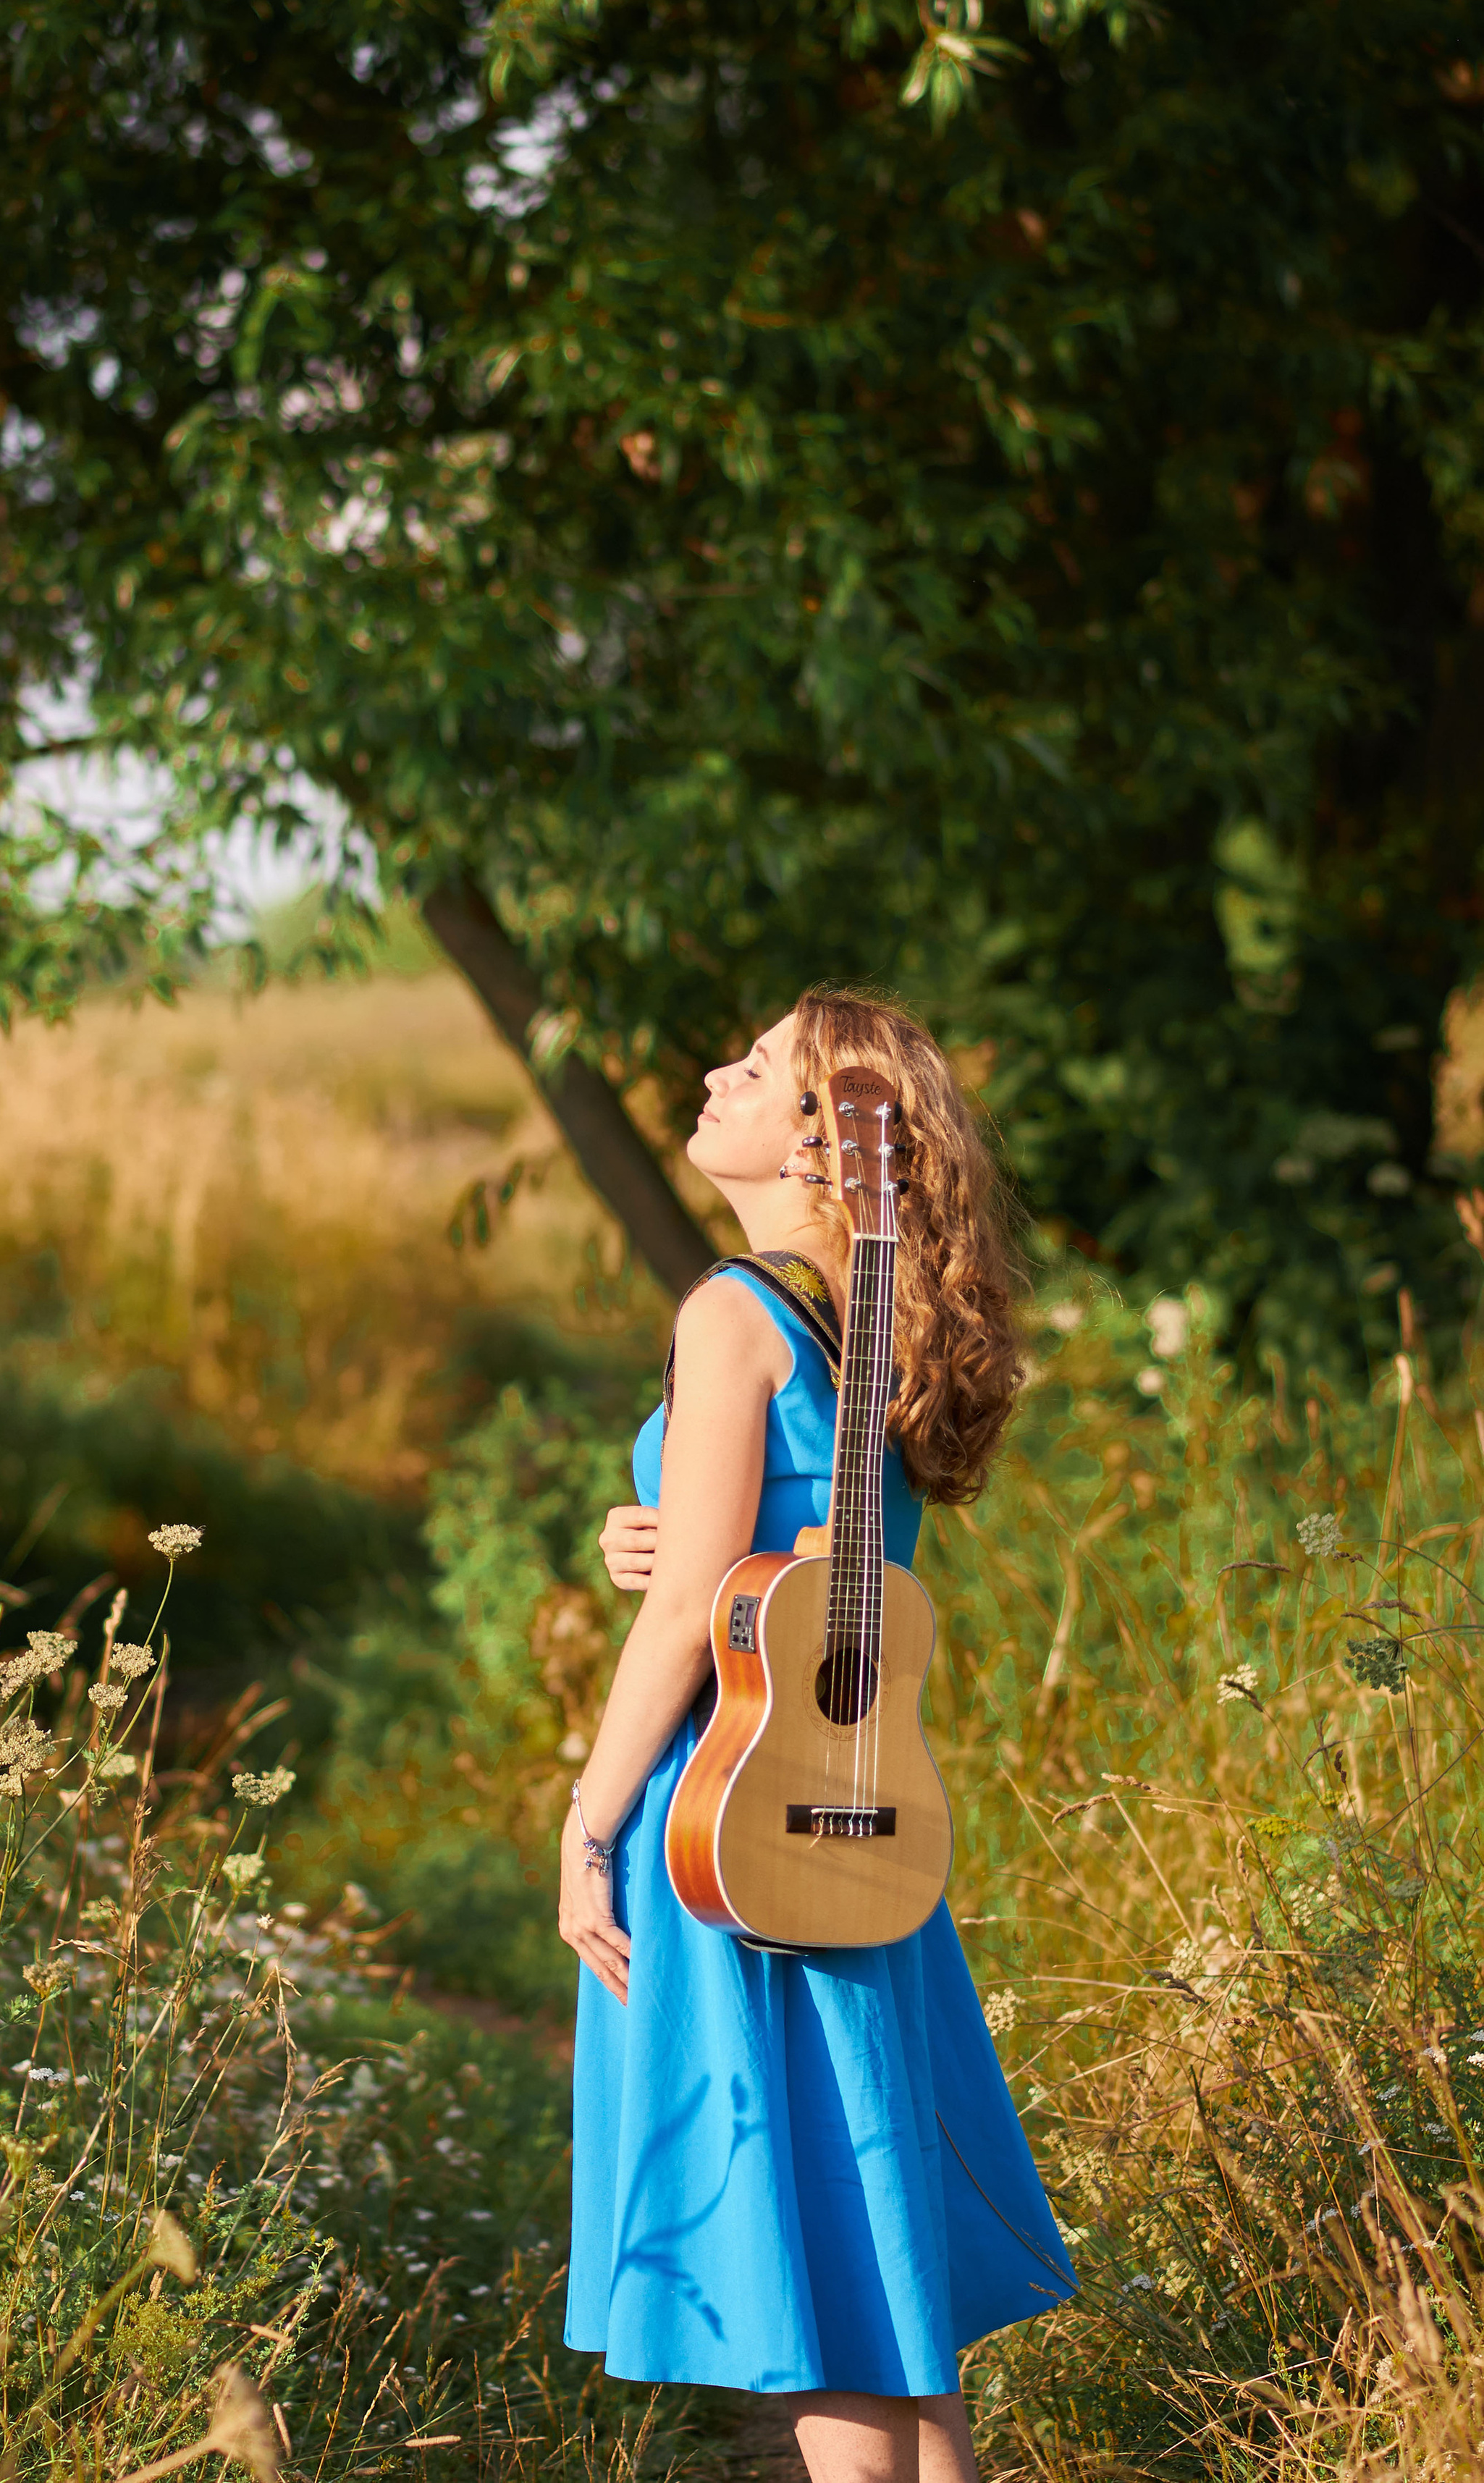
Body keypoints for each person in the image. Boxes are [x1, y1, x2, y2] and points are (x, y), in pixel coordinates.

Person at [560, 985, 1076, 2483]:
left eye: (758, 1064)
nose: (713, 1072)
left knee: (818, 2302)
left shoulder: (733, 1310)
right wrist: (661, 1542)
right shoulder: (876, 1323)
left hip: (726, 1817)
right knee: (881, 2296)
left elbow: (688, 1629)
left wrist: (588, 1819)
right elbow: (774, 1564)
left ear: (818, 1141)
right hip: (857, 1812)